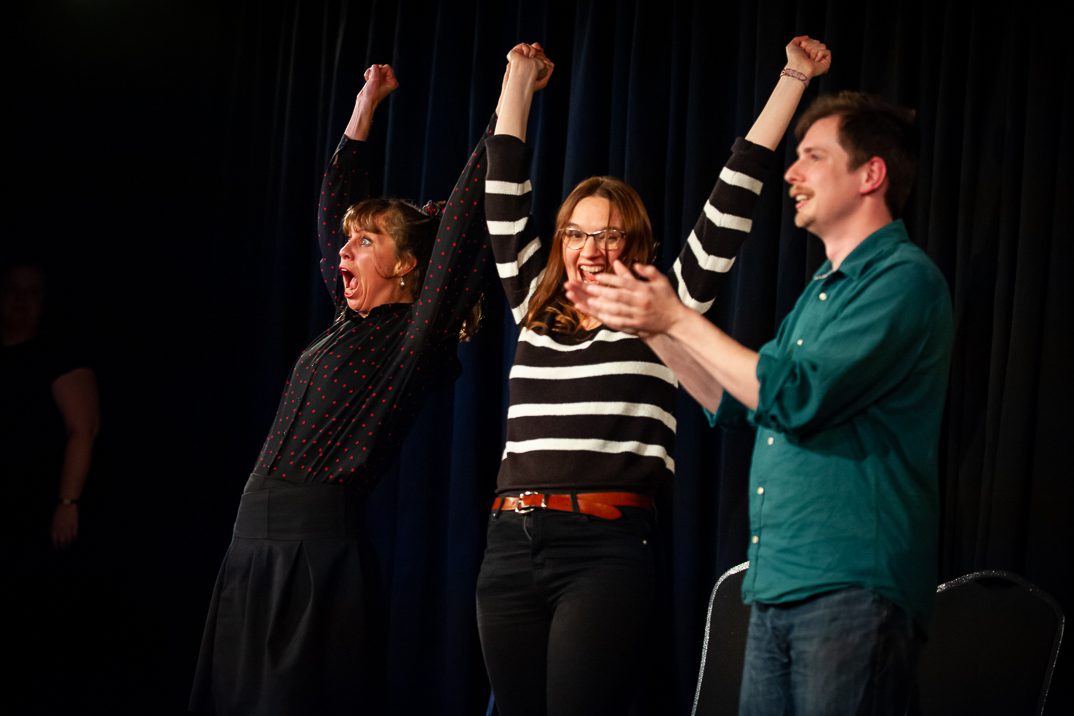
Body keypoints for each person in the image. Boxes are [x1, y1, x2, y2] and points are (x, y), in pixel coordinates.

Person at [567, 85, 952, 715]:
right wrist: (652, 329)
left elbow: (793, 393)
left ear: (870, 174)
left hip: (852, 584)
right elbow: (742, 402)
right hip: (779, 585)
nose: (792, 173)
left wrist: (679, 316)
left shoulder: (903, 281)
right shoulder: (820, 294)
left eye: (813, 157)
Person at [477, 38, 830, 716]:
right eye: (576, 235)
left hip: (603, 548)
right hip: (509, 543)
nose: (590, 249)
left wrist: (794, 77)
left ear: (632, 244)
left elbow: (738, 187)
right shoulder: (533, 302)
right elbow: (504, 185)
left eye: (608, 235)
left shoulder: (664, 308)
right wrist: (517, 78)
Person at [189, 63, 497, 716]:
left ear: (409, 265)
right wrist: (365, 105)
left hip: (311, 551)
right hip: (252, 546)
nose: (345, 252)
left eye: (368, 241)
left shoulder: (412, 339)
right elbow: (333, 205)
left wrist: (511, 101)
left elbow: (467, 211)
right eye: (348, 243)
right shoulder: (345, 322)